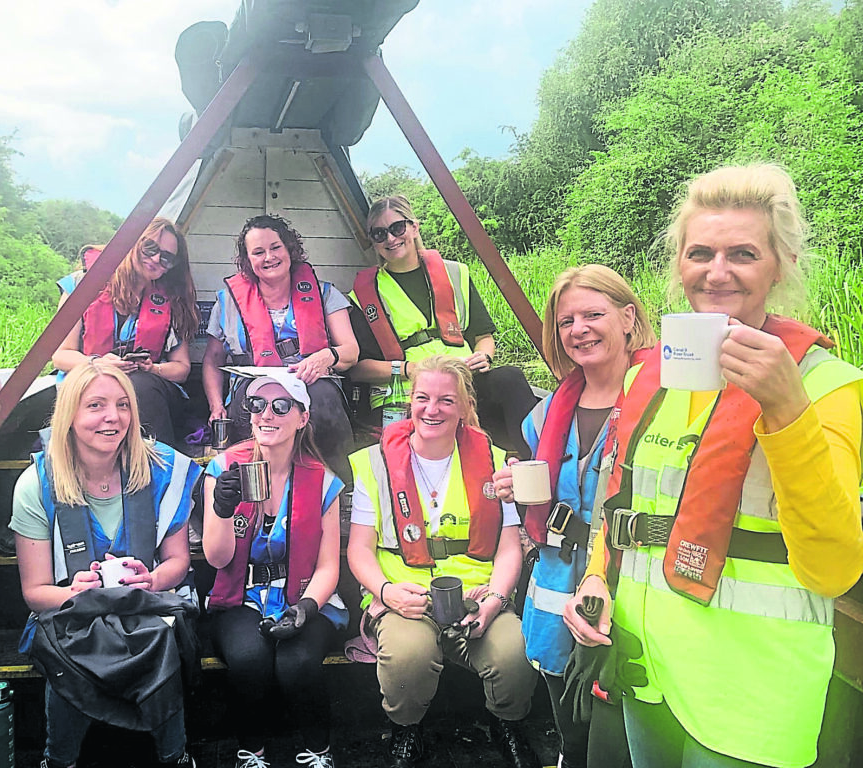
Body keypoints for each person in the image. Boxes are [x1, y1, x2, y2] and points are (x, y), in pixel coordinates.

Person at [564, 164, 863, 768]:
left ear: (778, 266)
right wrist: (596, 578)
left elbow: (833, 565)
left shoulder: (827, 386)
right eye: (700, 252)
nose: (717, 270)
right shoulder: (652, 376)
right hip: (648, 672)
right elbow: (620, 506)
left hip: (750, 694)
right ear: (679, 264)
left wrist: (785, 407)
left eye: (743, 254)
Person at [491, 265, 654, 768]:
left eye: (593, 314)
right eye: (566, 322)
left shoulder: (666, 399)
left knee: (625, 719)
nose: (578, 329)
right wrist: (512, 487)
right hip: (558, 580)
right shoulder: (544, 414)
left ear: (628, 317)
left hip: (633, 580)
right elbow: (542, 495)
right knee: (571, 723)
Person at [346, 355, 540, 768]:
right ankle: (406, 730)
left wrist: (496, 600)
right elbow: (359, 549)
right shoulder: (375, 462)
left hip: (476, 593)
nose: (432, 410)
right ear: (410, 400)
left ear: (465, 406)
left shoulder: (492, 459)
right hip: (405, 595)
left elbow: (510, 546)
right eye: (422, 398)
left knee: (516, 652)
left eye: (446, 400)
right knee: (407, 657)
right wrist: (386, 592)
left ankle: (505, 723)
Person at [10, 362, 203, 768]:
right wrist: (75, 591)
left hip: (144, 607)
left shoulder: (161, 469)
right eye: (95, 405)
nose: (111, 417)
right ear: (70, 415)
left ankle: (176, 757)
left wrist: (150, 580)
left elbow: (178, 563)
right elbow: (35, 592)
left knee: (160, 638)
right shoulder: (37, 483)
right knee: (71, 647)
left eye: (121, 405)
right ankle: (58, 760)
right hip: (73, 610)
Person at [202, 370, 346, 768]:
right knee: (248, 659)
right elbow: (216, 560)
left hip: (305, 595)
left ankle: (320, 750)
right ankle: (251, 751)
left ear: (302, 417)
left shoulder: (323, 480)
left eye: (281, 406)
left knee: (296, 662)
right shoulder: (224, 469)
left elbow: (329, 565)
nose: (267, 413)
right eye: (258, 405)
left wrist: (305, 608)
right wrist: (221, 509)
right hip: (241, 596)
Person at [347, 195, 538, 455]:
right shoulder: (363, 295)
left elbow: (483, 335)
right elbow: (358, 369)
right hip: (406, 395)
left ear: (414, 228)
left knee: (510, 378)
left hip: (464, 382)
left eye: (397, 228)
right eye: (379, 234)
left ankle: (538, 467)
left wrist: (484, 356)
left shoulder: (455, 274)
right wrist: (409, 369)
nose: (390, 239)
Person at [202, 214, 359, 482]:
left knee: (323, 400)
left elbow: (351, 351)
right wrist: (216, 405)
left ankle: (337, 491)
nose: (269, 257)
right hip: (252, 385)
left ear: (289, 249)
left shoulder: (325, 294)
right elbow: (213, 360)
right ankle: (257, 491)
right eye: (258, 252)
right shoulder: (227, 302)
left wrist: (327, 356)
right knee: (254, 406)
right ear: (248, 261)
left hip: (312, 382)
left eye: (275, 247)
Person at [52, 217, 201, 449]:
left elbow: (181, 368)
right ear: (131, 242)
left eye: (166, 257)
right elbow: (61, 356)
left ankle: (156, 471)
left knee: (140, 385)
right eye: (149, 248)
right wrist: (99, 364)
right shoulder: (84, 284)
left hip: (148, 391)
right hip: (90, 384)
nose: (155, 259)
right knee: (96, 393)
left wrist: (154, 368)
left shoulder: (172, 299)